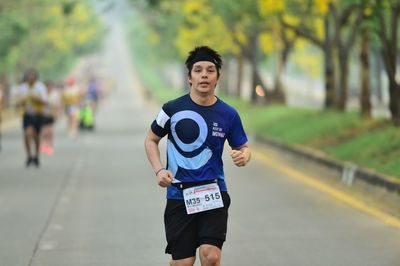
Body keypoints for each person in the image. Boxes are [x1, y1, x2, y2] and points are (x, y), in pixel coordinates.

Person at [144, 46, 251, 266]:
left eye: (210, 70)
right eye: (198, 70)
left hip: (213, 191)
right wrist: (159, 170)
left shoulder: (229, 114)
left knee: (211, 257)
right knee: (183, 262)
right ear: (189, 78)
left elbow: (243, 147)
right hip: (179, 194)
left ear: (217, 78)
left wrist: (244, 156)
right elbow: (151, 140)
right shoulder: (171, 109)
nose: (204, 75)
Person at [13, 69, 48, 167]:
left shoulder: (40, 87)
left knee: (36, 136)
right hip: (27, 115)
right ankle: (28, 155)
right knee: (27, 134)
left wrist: (37, 99)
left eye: (32, 76)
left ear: (35, 78)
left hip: (38, 114)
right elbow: (16, 103)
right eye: (28, 77)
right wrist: (21, 102)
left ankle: (36, 155)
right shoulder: (22, 88)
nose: (30, 78)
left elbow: (46, 102)